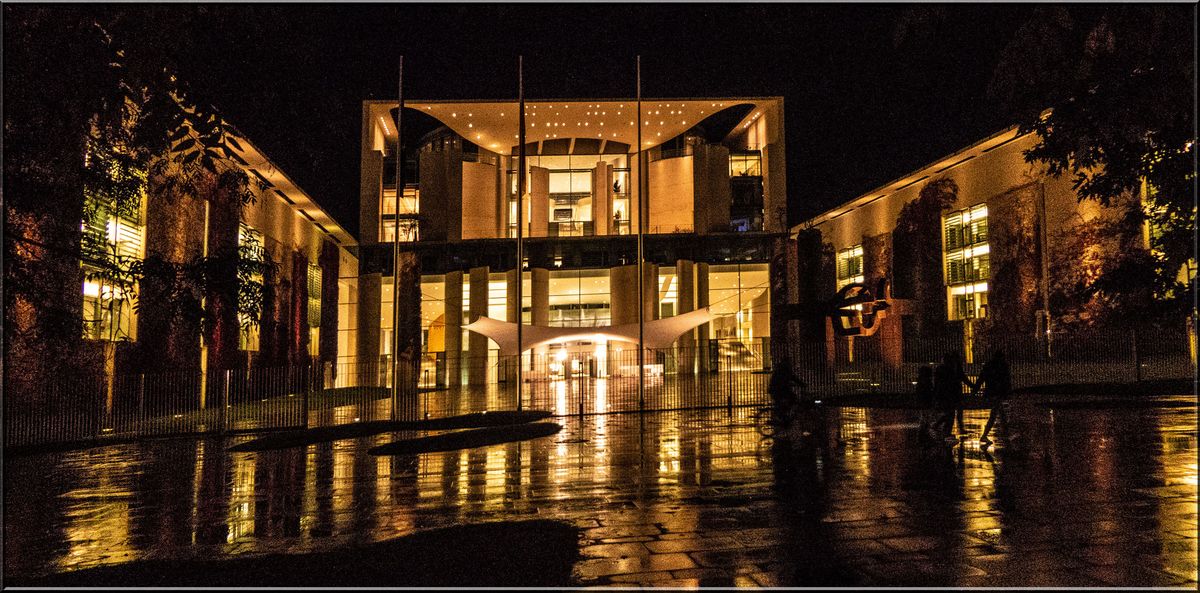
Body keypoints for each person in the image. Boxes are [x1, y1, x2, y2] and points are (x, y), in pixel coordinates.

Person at [931, 351, 974, 440]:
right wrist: (973, 386)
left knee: (951, 412)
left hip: (946, 394)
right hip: (953, 393)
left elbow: (937, 383)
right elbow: (961, 378)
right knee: (953, 413)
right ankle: (946, 431)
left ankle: (939, 426)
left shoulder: (941, 368)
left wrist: (935, 393)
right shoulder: (952, 368)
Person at [976, 350, 1012, 447]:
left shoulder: (989, 365)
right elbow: (1006, 380)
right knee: (995, 414)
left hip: (991, 392)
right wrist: (1008, 391)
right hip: (998, 392)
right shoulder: (1003, 366)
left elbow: (981, 378)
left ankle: (1006, 433)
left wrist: (975, 389)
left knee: (1000, 412)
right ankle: (984, 435)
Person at [913, 365, 936, 443]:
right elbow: (929, 392)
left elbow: (919, 393)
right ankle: (922, 437)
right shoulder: (926, 382)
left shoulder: (920, 382)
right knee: (925, 420)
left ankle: (921, 437)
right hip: (926, 403)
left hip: (923, 403)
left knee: (924, 419)